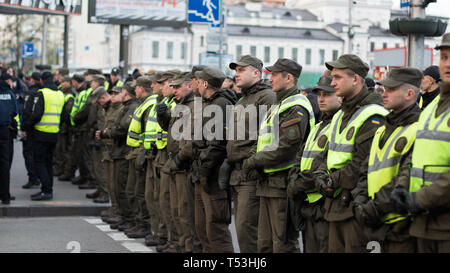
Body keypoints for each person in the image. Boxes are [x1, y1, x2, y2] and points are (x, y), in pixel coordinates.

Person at [314, 54, 388, 252]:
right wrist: (321, 176)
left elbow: (362, 163)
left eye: (338, 77)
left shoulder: (372, 114)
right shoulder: (341, 114)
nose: (333, 81)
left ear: (355, 79)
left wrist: (331, 181)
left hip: (354, 205)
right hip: (335, 204)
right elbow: (328, 153)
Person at [244, 58, 316, 253]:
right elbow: (263, 139)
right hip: (268, 182)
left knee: (283, 244)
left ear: (289, 78)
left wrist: (253, 161)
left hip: (282, 184)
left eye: (275, 74)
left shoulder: (296, 106)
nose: (271, 78)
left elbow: (285, 148)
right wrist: (254, 160)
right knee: (265, 244)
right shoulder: (278, 104)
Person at [390, 33, 450, 253]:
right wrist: (401, 186)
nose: (448, 63)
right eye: (443, 57)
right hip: (424, 225)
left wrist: (419, 199)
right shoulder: (431, 109)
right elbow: (416, 157)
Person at [354, 68, 423, 253]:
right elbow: (365, 170)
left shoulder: (419, 130)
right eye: (384, 89)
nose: (383, 94)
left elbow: (405, 177)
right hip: (374, 224)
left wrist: (371, 209)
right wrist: (359, 201)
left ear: (409, 93)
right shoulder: (382, 129)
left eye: (391, 89)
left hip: (400, 226)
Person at [225, 55, 275, 253]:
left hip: (251, 173)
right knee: (242, 229)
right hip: (237, 173)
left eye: (240, 70)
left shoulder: (266, 97)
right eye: (235, 71)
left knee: (249, 231)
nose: (236, 74)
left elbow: (267, 137)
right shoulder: (244, 98)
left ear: (256, 72)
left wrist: (248, 161)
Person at [287, 75, 342, 253]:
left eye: (327, 94)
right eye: (319, 94)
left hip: (324, 202)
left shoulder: (339, 125)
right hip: (309, 203)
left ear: (340, 96)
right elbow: (300, 158)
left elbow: (326, 164)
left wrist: (299, 183)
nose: (321, 99)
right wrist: (295, 178)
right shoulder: (319, 126)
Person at [192, 67, 236, 253]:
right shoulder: (209, 103)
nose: (197, 84)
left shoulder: (221, 105)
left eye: (199, 81)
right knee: (204, 230)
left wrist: (203, 171)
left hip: (213, 177)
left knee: (216, 230)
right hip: (203, 174)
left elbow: (217, 146)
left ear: (205, 83)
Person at [23, 71, 66, 201]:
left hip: (41, 133)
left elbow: (37, 114)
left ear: (41, 81)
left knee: (39, 162)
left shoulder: (43, 93)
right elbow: (64, 116)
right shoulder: (60, 94)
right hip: (54, 133)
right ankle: (47, 189)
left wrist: (27, 126)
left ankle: (46, 190)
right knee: (48, 162)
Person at [124, 76, 157, 238]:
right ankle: (138, 222)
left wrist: (142, 156)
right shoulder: (144, 104)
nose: (134, 89)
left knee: (140, 192)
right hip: (135, 152)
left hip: (141, 154)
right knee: (134, 191)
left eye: (136, 87)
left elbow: (148, 134)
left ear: (142, 88)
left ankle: (143, 224)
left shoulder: (150, 105)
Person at [108, 82, 140, 231]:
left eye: (120, 92)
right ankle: (125, 217)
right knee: (119, 187)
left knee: (123, 188)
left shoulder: (132, 107)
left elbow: (123, 128)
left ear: (126, 93)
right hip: (120, 151)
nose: (118, 94)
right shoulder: (127, 106)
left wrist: (108, 132)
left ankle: (129, 218)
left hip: (125, 152)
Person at [98, 86, 123, 222]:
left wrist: (106, 133)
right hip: (107, 149)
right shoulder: (110, 108)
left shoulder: (121, 109)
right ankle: (113, 207)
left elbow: (117, 129)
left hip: (114, 149)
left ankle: (117, 210)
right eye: (111, 94)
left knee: (114, 183)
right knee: (109, 182)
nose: (113, 97)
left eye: (116, 94)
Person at [0, 73, 18, 204]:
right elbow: (15, 112)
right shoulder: (9, 93)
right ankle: (5, 196)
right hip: (4, 131)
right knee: (5, 163)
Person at [21, 72, 41, 189]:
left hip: (30, 128)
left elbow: (26, 112)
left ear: (32, 81)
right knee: (38, 154)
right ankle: (38, 177)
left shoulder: (30, 93)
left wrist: (24, 128)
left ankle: (33, 178)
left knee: (28, 153)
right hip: (42, 128)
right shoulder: (44, 93)